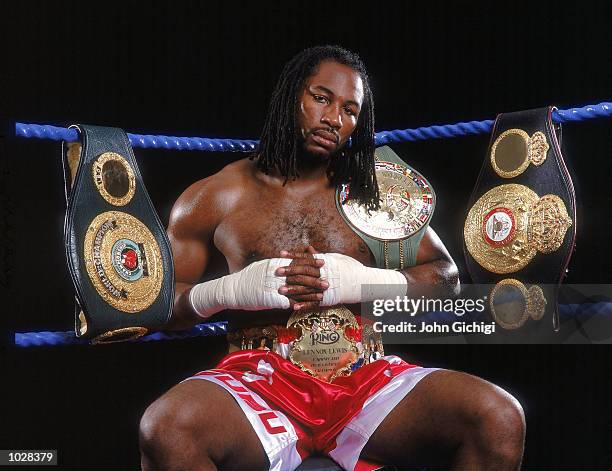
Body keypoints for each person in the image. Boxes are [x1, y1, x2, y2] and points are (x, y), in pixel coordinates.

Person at [139, 45, 525, 471]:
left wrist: (362, 282)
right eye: (321, 98)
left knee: (498, 417)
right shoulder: (216, 195)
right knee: (167, 427)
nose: (334, 119)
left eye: (350, 109)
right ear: (291, 97)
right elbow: (161, 305)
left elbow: (446, 278)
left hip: (364, 376)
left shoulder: (376, 192)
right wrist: (228, 290)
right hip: (260, 378)